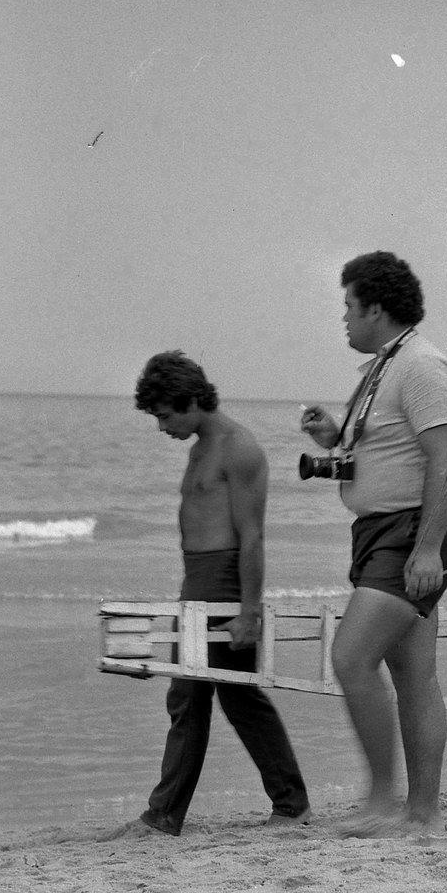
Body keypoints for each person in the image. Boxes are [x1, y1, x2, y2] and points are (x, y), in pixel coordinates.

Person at [298, 252, 447, 835]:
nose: (343, 317)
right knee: (415, 673)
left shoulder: (422, 367)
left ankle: (380, 801)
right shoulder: (383, 367)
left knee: (350, 657)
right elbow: (387, 448)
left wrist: (428, 549)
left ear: (375, 307)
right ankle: (423, 815)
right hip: (382, 531)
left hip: (413, 530)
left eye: (348, 305)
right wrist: (334, 435)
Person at [130, 351, 312, 836]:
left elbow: (252, 536)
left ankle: (285, 805)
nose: (161, 427)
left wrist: (249, 610)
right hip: (196, 580)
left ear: (190, 401)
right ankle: (171, 813)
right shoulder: (199, 448)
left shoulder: (239, 448)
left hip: (225, 582)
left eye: (165, 415)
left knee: (226, 696)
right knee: (197, 698)